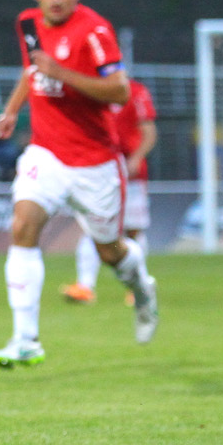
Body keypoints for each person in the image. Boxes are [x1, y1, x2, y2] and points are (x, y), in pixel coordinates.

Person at [0, 0, 158, 368]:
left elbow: (119, 91)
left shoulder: (95, 30)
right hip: (46, 152)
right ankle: (25, 339)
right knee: (23, 224)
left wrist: (61, 72)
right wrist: (12, 110)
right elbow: (32, 70)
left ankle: (143, 286)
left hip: (95, 162)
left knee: (110, 253)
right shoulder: (27, 22)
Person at [62, 76, 157, 306]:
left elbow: (149, 130)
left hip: (131, 173)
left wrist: (136, 158)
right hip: (98, 171)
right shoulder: (86, 89)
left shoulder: (135, 91)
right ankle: (85, 286)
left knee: (132, 231)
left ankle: (136, 287)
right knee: (91, 226)